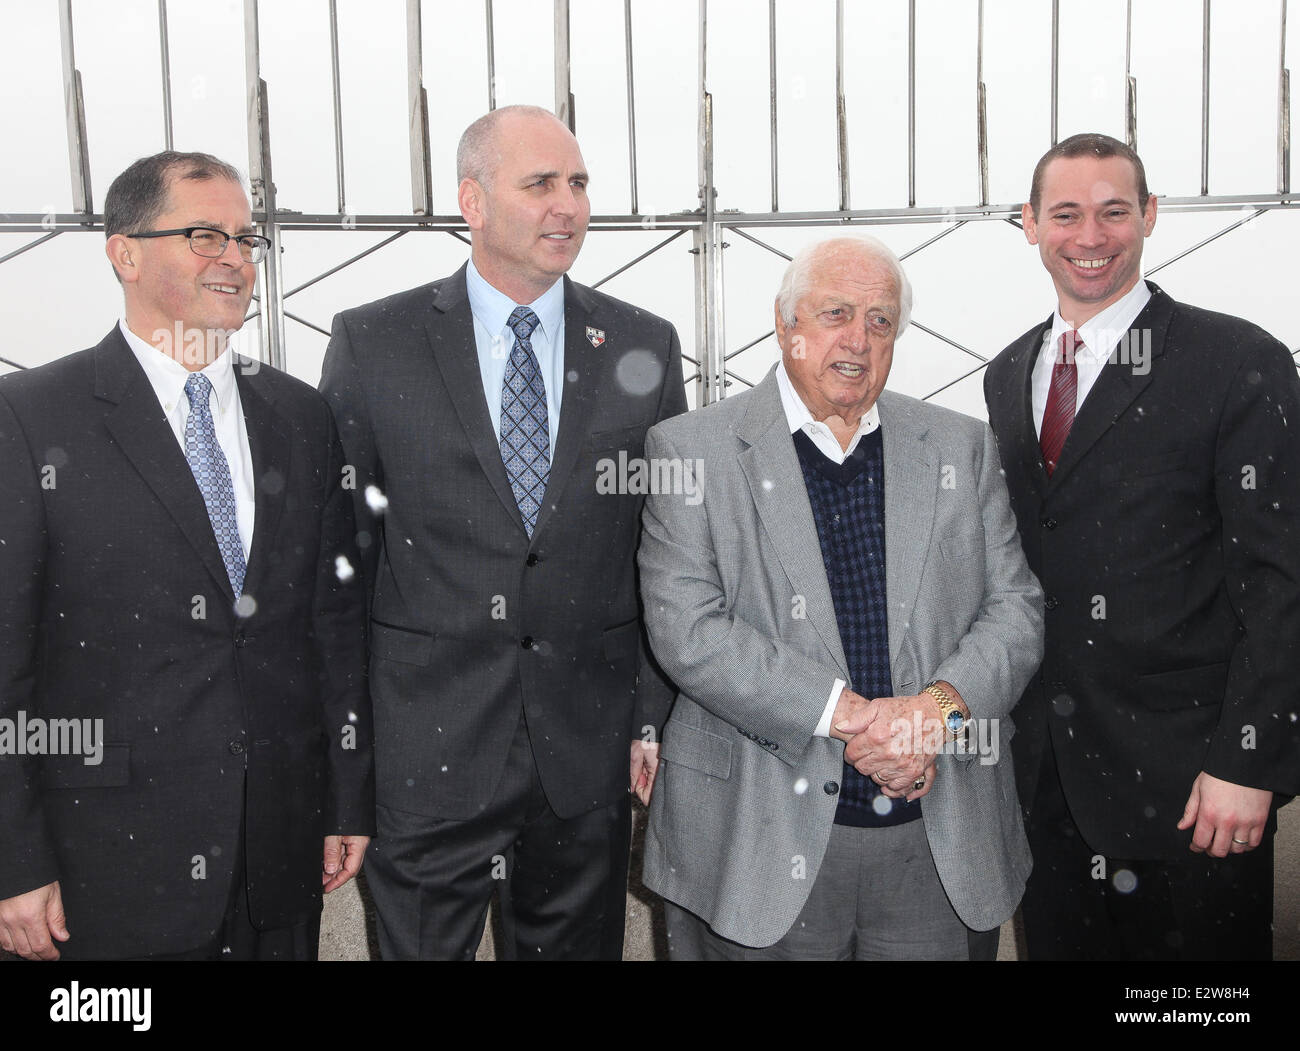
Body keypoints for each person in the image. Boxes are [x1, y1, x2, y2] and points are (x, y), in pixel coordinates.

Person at [319, 105, 687, 960]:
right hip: (425, 756)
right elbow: (342, 564)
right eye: (541, 184)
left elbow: (667, 551)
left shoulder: (642, 343)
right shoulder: (375, 342)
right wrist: (347, 756)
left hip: (583, 757)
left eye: (580, 183)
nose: (569, 206)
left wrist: (653, 714)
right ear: (472, 202)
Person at [0, 151, 374, 961]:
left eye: (246, 238)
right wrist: (12, 860)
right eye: (206, 235)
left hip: (277, 854)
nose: (236, 258)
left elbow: (331, 627)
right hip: (105, 869)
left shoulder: (300, 417)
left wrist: (345, 797)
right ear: (124, 252)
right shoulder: (29, 419)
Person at [636, 235, 1043, 960]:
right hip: (756, 844)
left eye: (881, 320)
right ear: (786, 323)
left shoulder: (961, 447)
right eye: (835, 313)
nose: (858, 338)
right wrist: (857, 718)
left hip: (935, 844)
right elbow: (687, 628)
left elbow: (1015, 611)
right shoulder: (689, 451)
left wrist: (932, 715)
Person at [984, 132, 1300, 960]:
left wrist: (1251, 759)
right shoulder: (1008, 373)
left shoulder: (1237, 361)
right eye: (1066, 213)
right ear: (1029, 224)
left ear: (1150, 216)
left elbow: (1283, 578)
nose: (1090, 235)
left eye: (1114, 211)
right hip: (1047, 789)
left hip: (1194, 792)